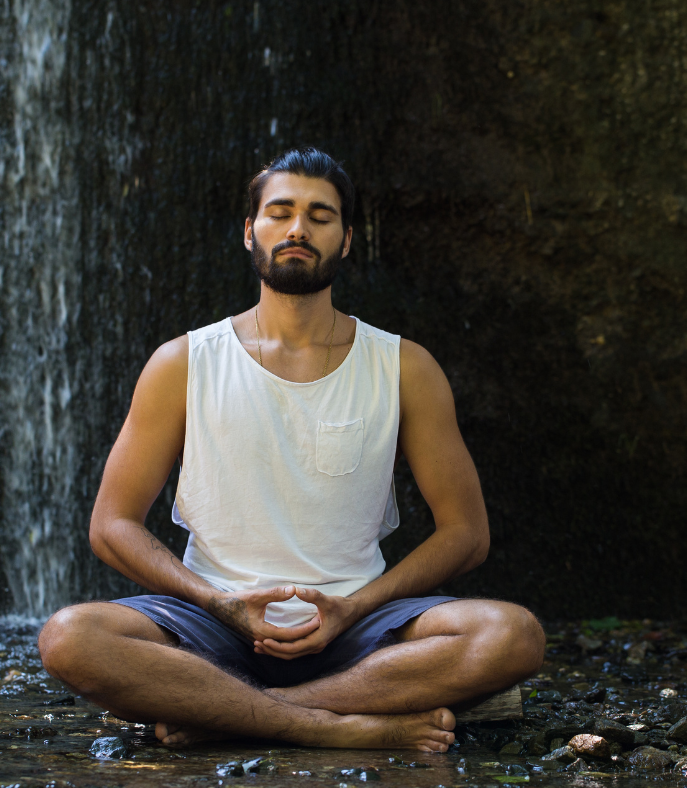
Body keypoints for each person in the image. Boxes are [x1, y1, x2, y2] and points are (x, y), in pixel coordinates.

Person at [37, 147, 545, 752]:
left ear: (348, 239)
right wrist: (220, 604)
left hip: (358, 627)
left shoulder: (405, 367)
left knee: (512, 634)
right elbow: (110, 525)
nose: (298, 228)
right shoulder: (184, 362)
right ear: (250, 231)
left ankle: (227, 715)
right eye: (280, 212)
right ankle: (338, 728)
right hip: (212, 626)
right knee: (69, 637)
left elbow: (466, 533)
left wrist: (354, 610)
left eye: (320, 216)